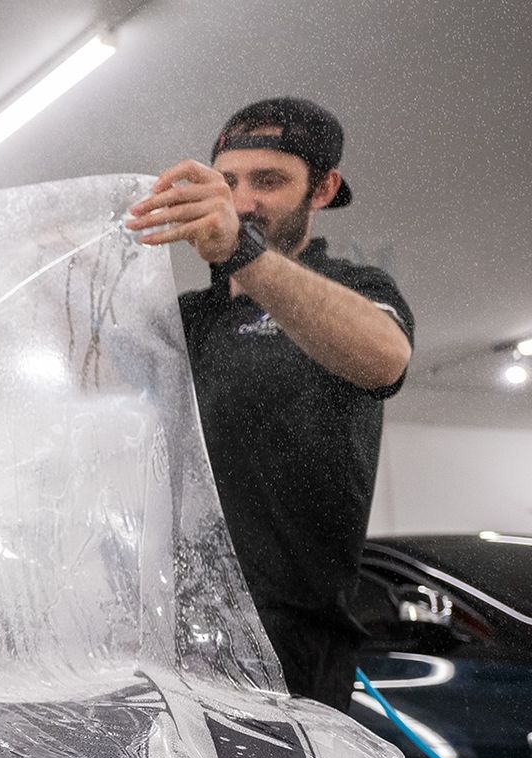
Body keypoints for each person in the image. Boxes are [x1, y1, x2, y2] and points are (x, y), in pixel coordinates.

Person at [127, 97, 414, 710]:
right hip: (159, 639)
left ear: (323, 187)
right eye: (227, 182)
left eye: (270, 180)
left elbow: (385, 358)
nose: (244, 199)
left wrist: (242, 254)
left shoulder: (358, 290)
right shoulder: (181, 321)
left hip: (288, 649)